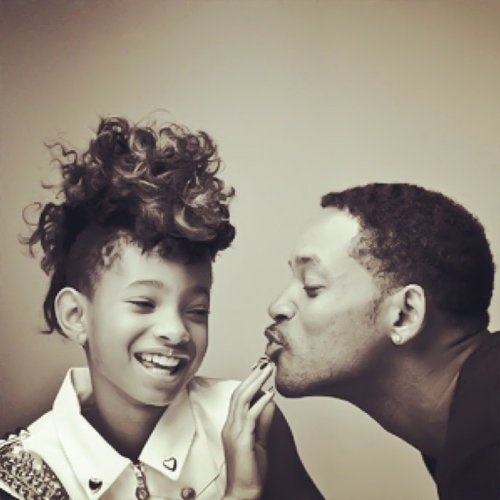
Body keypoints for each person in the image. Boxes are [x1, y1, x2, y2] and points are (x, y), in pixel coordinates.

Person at [0, 116, 321, 500]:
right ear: (75, 316)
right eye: (144, 303)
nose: (176, 331)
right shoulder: (21, 475)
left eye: (197, 310)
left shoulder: (248, 423)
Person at [224, 183, 500, 500]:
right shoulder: (467, 427)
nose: (277, 307)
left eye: (312, 287)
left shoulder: (489, 450)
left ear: (405, 315)